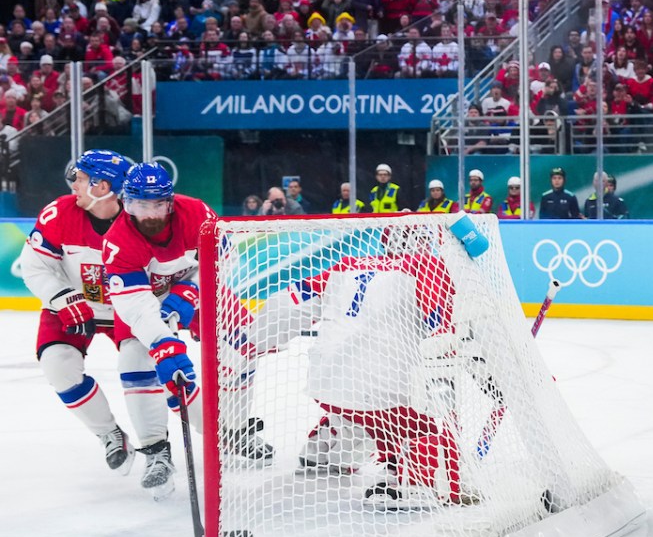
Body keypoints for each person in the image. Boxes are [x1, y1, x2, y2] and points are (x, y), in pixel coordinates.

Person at [229, 225, 479, 506]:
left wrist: (252, 340)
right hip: (386, 393)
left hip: (327, 384)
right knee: (424, 421)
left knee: (359, 399)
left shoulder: (347, 264)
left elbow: (290, 304)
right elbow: (443, 329)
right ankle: (412, 478)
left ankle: (329, 446)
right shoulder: (429, 265)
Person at [103, 162, 273, 498]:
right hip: (144, 301)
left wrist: (190, 292)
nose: (149, 215)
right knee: (135, 360)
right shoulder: (118, 241)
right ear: (126, 203)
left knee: (245, 342)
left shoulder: (197, 212)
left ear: (169, 202)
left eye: (157, 205)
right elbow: (137, 307)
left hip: (200, 290)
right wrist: (164, 343)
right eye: (139, 205)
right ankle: (155, 451)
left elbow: (226, 259)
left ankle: (235, 429)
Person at [20, 150, 136, 475]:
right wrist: (63, 297)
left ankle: (159, 445)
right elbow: (34, 266)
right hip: (72, 305)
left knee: (148, 372)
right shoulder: (59, 213)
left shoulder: (140, 218)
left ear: (103, 186)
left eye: (81, 179)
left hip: (129, 308)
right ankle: (109, 434)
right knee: (58, 366)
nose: (73, 184)